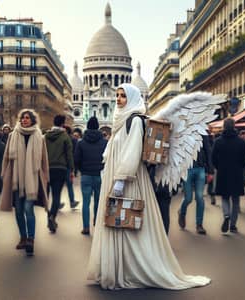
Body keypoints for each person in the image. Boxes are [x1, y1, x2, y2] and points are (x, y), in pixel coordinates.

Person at [87, 83, 210, 290]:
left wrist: (121, 179)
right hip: (117, 176)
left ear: (133, 98)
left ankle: (132, 268)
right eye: (117, 95)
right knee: (117, 221)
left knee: (127, 221)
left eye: (123, 96)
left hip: (129, 179)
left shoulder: (134, 120)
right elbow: (112, 152)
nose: (118, 99)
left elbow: (133, 151)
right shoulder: (120, 121)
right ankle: (120, 267)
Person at [0, 109, 49, 256]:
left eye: (27, 118)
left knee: (28, 209)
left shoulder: (39, 136)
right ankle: (23, 237)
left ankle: (31, 239)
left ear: (32, 120)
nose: (24, 120)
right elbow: (7, 156)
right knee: (19, 211)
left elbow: (44, 159)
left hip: (32, 179)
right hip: (16, 178)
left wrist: (46, 176)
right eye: (22, 118)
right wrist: (4, 173)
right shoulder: (12, 135)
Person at [212, 118, 245, 234]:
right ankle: (233, 225)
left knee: (225, 197)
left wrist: (219, 167)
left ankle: (226, 215)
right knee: (236, 200)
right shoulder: (240, 141)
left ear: (224, 126)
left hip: (223, 173)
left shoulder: (218, 141)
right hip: (236, 173)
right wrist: (239, 168)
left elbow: (213, 158)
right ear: (234, 126)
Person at [74, 116, 107, 235]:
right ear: (98, 126)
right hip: (99, 175)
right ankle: (97, 224)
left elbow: (76, 159)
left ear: (87, 126)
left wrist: (80, 170)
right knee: (98, 201)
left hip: (86, 176)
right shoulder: (105, 142)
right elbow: (107, 159)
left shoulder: (81, 142)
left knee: (86, 202)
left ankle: (86, 227)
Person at [178, 135, 214, 235]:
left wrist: (210, 171)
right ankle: (182, 212)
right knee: (188, 198)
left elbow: (208, 151)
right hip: (187, 169)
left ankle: (199, 225)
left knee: (199, 197)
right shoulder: (184, 131)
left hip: (200, 168)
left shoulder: (203, 134)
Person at [45, 114, 74, 233]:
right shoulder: (65, 136)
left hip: (47, 169)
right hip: (60, 169)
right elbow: (69, 154)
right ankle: (52, 216)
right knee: (56, 195)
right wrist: (71, 169)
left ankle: (49, 217)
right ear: (62, 123)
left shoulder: (45, 136)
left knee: (47, 196)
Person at [59, 125, 79, 210]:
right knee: (66, 185)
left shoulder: (61, 139)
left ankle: (64, 202)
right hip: (64, 166)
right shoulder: (72, 140)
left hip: (64, 166)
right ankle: (71, 202)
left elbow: (73, 154)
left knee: (67, 185)